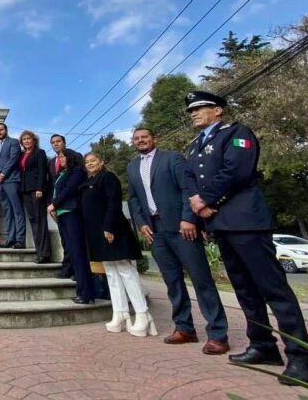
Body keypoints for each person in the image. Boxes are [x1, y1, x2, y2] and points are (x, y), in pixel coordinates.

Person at [184, 90, 308, 385]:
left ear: (218, 110)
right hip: (220, 225)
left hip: (246, 221)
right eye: (191, 110)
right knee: (245, 291)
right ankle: (263, 345)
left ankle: (302, 358)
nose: (194, 113)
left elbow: (237, 171)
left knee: (274, 289)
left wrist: (205, 200)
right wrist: (197, 202)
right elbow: (190, 177)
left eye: (200, 108)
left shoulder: (237, 133)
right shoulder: (195, 147)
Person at [127, 126, 228, 354]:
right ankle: (185, 328)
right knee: (172, 282)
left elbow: (187, 189)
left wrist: (188, 218)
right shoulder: (132, 167)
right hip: (155, 231)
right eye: (136, 138)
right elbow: (133, 199)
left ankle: (218, 333)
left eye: (145, 137)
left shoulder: (171, 158)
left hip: (181, 227)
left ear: (155, 138)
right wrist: (142, 223)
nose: (141, 140)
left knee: (201, 280)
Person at [81, 152, 155, 337]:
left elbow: (113, 203)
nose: (90, 164)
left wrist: (109, 227)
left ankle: (142, 313)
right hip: (97, 233)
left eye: (93, 161)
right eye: (87, 162)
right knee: (111, 274)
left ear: (101, 162)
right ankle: (120, 312)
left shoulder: (108, 178)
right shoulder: (88, 182)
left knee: (125, 271)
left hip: (112, 230)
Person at [48, 150, 94, 303]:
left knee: (78, 252)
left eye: (62, 156)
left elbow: (69, 190)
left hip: (72, 212)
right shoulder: (63, 172)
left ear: (70, 158)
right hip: (63, 214)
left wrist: (54, 204)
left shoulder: (76, 172)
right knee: (73, 252)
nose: (59, 159)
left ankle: (86, 293)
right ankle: (82, 291)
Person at [48, 134, 84, 278]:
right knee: (66, 241)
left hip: (71, 207)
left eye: (58, 141)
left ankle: (78, 272)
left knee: (75, 242)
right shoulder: (51, 163)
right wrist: (52, 204)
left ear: (64, 143)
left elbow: (70, 187)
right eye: (53, 142)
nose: (55, 144)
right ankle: (68, 268)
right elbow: (53, 186)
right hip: (58, 209)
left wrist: (54, 204)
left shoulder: (75, 159)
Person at [0, 123, 26, 248]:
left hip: (11, 180)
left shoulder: (13, 142)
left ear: (6, 130)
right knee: (7, 211)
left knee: (17, 210)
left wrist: (3, 173)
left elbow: (13, 158)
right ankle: (11, 238)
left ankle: (20, 240)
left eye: (1, 129)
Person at [19, 130, 50, 263]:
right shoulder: (21, 155)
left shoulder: (39, 152)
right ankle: (39, 252)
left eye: (28, 138)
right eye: (24, 139)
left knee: (40, 220)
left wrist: (40, 188)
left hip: (36, 190)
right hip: (25, 189)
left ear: (34, 140)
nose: (26, 141)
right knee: (33, 221)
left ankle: (45, 254)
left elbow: (43, 171)